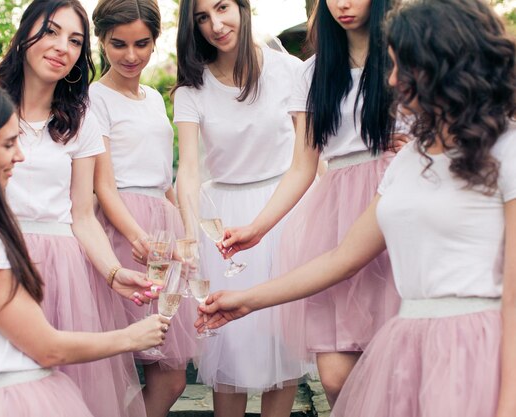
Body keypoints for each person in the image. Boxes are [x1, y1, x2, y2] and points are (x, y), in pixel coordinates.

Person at [198, 1, 516, 416]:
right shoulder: (405, 165)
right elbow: (341, 258)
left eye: (404, 67)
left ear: (447, 64)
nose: (392, 80)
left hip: (476, 344)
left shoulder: (505, 152)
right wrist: (247, 300)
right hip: (413, 339)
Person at [0, 75, 170, 417]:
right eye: (9, 144)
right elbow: (48, 348)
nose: (21, 156)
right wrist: (132, 337)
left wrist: (112, 273)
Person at [220, 0, 401, 405]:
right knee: (336, 377)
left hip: (395, 204)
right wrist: (256, 227)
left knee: (394, 367)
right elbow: (303, 165)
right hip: (335, 215)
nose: (342, 4)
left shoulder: (404, 56)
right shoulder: (311, 72)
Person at [0, 1, 150, 415]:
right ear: (25, 33)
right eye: (51, 31)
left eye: (75, 40)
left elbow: (82, 216)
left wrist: (114, 274)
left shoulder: (81, 121)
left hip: (64, 276)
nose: (63, 46)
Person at [172, 0, 308, 415]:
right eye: (202, 18)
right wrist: (191, 234)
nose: (216, 25)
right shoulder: (191, 88)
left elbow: (309, 156)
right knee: (228, 345)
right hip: (224, 219)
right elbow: (189, 170)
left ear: (243, 7)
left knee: (281, 345)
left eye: (222, 8)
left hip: (284, 210)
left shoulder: (292, 72)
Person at [89, 1, 198, 416]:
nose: (131, 55)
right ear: (101, 40)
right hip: (121, 229)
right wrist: (139, 237)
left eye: (142, 43)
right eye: (118, 44)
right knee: (115, 363)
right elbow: (103, 186)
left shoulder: (154, 98)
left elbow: (164, 175)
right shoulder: (93, 99)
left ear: (155, 41)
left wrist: (183, 235)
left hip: (163, 225)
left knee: (171, 375)